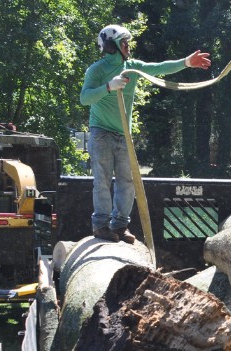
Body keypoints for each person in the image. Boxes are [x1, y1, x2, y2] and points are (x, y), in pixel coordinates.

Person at [80, 25, 211, 243]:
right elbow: (85, 98)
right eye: (124, 43)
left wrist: (186, 62)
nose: (128, 47)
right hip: (101, 133)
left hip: (124, 135)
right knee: (102, 180)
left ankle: (120, 225)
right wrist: (108, 87)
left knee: (127, 181)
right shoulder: (97, 70)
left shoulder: (132, 66)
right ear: (112, 46)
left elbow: (159, 68)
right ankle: (101, 226)